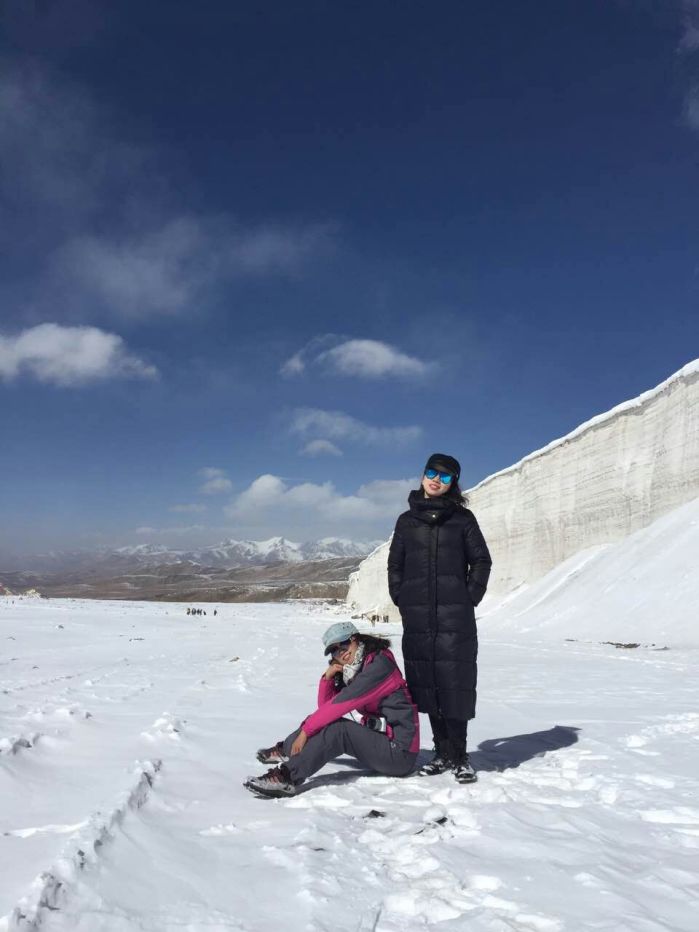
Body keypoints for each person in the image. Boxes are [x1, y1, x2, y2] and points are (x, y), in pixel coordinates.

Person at [387, 453, 492, 783]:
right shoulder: (406, 521)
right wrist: (401, 598)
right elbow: (395, 565)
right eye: (432, 472)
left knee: (453, 683)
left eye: (445, 477)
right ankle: (441, 752)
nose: (436, 480)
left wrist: (468, 597)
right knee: (428, 684)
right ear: (422, 475)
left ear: (453, 484)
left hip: (454, 618)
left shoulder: (463, 520)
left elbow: (481, 561)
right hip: (417, 618)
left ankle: (460, 755)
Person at [244, 621, 419, 798]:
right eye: (334, 650)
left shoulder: (379, 667)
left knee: (339, 731)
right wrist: (327, 678)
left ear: (355, 639)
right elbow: (326, 708)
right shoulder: (357, 668)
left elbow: (339, 706)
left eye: (343, 645)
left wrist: (305, 732)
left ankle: (287, 777)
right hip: (381, 743)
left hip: (399, 753)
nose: (340, 653)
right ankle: (288, 749)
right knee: (324, 721)